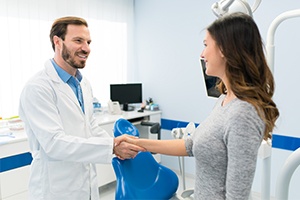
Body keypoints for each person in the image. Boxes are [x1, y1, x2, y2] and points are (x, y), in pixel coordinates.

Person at [119, 12, 279, 200]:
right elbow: (191, 145)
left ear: (225, 50)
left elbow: (237, 196)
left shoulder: (242, 113)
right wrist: (139, 144)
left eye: (205, 45)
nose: (202, 55)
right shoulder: (224, 100)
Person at [19, 16, 144, 200]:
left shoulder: (82, 84)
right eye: (78, 41)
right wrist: (111, 147)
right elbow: (54, 143)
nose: (86, 48)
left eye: (88, 42)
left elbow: (90, 127)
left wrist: (116, 143)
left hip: (86, 184)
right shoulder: (38, 87)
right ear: (57, 42)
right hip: (55, 189)